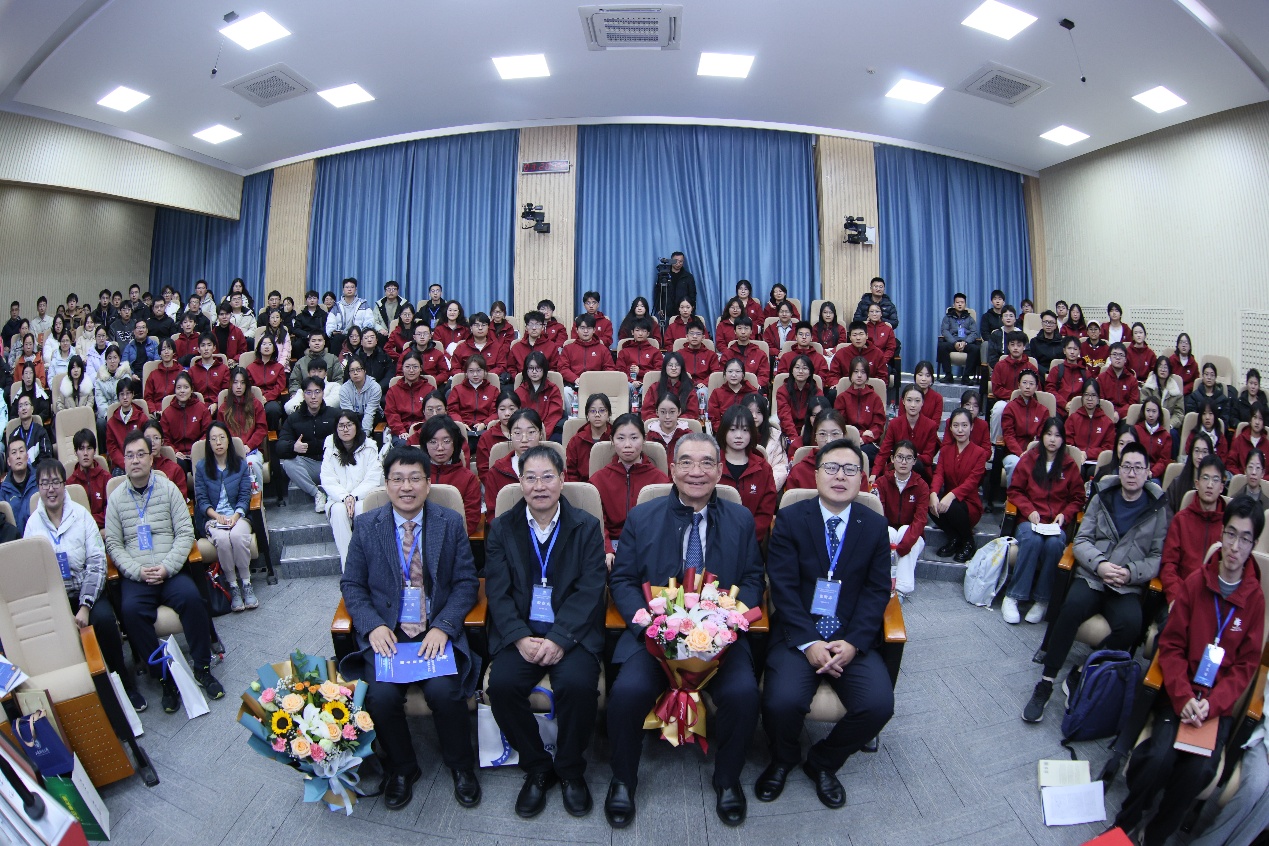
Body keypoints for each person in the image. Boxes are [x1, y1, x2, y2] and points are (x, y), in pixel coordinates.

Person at [606, 433, 765, 828]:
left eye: (707, 463)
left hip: (719, 642)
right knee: (626, 692)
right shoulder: (642, 517)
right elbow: (622, 579)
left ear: (720, 471)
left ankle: (727, 780)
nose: (697, 471)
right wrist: (647, 624)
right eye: (688, 462)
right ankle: (622, 780)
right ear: (673, 469)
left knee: (743, 695)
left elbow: (752, 578)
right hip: (655, 639)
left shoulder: (740, 519)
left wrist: (727, 625)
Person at [1113, 496, 1265, 845]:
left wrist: (1211, 705)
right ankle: (1126, 823)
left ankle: (1155, 833)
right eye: (1230, 534)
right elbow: (1172, 645)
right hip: (1179, 693)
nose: (1235, 546)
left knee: (1199, 769)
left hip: (1214, 706)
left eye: (1245, 538)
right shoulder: (1197, 582)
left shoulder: (1255, 599)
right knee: (1158, 758)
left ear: (1253, 544)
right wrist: (1183, 697)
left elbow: (1245, 668)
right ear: (1222, 534)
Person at [340, 446, 481, 811]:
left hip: (434, 627)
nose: (406, 487)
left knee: (446, 692)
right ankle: (402, 768)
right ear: (386, 484)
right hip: (388, 631)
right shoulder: (367, 526)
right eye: (398, 479)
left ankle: (461, 766)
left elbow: (467, 582)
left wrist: (444, 627)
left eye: (415, 478)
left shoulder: (449, 522)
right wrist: (372, 626)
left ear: (428, 483)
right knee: (380, 698)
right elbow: (352, 585)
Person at [757, 438, 894, 809]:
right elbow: (782, 587)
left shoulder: (874, 525)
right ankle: (783, 758)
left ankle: (823, 762)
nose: (840, 476)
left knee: (878, 706)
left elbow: (877, 591)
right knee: (781, 701)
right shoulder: (790, 519)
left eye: (850, 470)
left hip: (850, 636)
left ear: (862, 479)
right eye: (831, 468)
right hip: (798, 633)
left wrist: (853, 642)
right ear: (815, 474)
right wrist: (809, 642)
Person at [484, 445, 606, 818]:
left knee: (579, 686)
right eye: (531, 478)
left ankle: (569, 769)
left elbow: (590, 589)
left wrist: (559, 638)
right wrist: (519, 637)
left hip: (572, 634)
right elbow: (497, 591)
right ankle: (537, 766)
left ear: (562, 480)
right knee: (501, 686)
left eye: (547, 477)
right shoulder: (502, 528)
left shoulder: (586, 526)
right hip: (521, 632)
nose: (540, 486)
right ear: (520, 482)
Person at [1021, 442, 1169, 722]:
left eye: (1138, 468)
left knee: (1132, 625)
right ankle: (1046, 681)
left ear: (1148, 472)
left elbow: (1157, 556)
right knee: (1070, 608)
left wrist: (1130, 573)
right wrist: (1100, 565)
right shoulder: (1103, 496)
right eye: (1127, 467)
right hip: (1093, 577)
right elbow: (1082, 541)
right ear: (1119, 469)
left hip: (1125, 584)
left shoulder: (1157, 508)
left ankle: (1081, 671)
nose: (1132, 473)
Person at [106, 429, 223, 713]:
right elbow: (114, 544)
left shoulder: (168, 488)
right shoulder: (116, 499)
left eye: (141, 454)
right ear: (124, 461)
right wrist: (137, 571)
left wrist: (167, 566)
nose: (135, 460)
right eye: (130, 456)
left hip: (169, 570)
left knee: (193, 599)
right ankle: (165, 679)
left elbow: (185, 532)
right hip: (138, 576)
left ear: (151, 458)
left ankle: (202, 668)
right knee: (131, 612)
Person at [25, 457, 146, 708]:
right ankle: (80, 698)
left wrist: (84, 606)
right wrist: (59, 611)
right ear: (38, 488)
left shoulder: (81, 515)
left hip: (86, 593)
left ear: (64, 485)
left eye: (56, 482)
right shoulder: (32, 526)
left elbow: (97, 563)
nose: (50, 489)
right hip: (54, 601)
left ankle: (124, 683)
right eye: (45, 483)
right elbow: (34, 576)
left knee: (104, 620)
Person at [1001, 419, 1086, 624]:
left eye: (1057, 435)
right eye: (1049, 434)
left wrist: (1065, 514)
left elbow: (1078, 498)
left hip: (1055, 525)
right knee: (1033, 540)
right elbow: (1015, 490)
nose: (1052, 440)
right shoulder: (1029, 459)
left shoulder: (1069, 465)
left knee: (1055, 544)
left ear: (1063, 439)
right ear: (1042, 436)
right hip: (1029, 521)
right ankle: (1013, 596)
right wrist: (1029, 510)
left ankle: (1042, 600)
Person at [193, 422, 256, 612]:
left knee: (236, 536)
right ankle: (233, 585)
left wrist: (236, 516)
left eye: (222, 437)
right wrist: (216, 516)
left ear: (229, 440)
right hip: (213, 519)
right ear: (208, 443)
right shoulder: (202, 467)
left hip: (238, 515)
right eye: (213, 439)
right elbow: (202, 500)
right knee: (222, 539)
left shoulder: (240, 464)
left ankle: (246, 582)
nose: (218, 442)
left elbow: (245, 496)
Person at [320, 411, 384, 568]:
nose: (345, 429)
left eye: (349, 425)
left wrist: (353, 496)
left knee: (362, 508)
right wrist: (345, 497)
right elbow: (327, 479)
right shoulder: (330, 447)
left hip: (363, 497)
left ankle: (369, 565)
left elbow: (373, 478)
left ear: (356, 426)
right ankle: (349, 568)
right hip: (339, 499)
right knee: (338, 511)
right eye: (341, 426)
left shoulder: (369, 446)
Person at [929, 408, 989, 563]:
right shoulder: (945, 450)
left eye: (964, 425)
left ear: (971, 427)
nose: (960, 430)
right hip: (949, 503)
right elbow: (939, 474)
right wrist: (933, 493)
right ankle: (954, 538)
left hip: (969, 505)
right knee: (930, 504)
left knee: (952, 506)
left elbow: (972, 482)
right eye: (956, 425)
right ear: (950, 428)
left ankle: (968, 541)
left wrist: (951, 495)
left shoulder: (980, 453)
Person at [277, 377, 341, 512]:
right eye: (309, 392)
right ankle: (317, 493)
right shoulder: (294, 418)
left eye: (317, 392)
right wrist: (293, 447)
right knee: (288, 463)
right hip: (309, 465)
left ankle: (337, 493)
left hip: (332, 463)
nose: (313, 397)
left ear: (323, 393)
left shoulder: (335, 414)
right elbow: (280, 446)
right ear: (303, 395)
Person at [875, 440, 929, 597]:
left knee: (906, 531)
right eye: (899, 457)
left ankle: (901, 589)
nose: (903, 462)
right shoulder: (881, 483)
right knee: (890, 532)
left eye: (908, 458)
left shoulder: (922, 486)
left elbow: (920, 520)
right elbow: (879, 514)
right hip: (888, 532)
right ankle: (883, 583)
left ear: (914, 461)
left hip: (912, 535)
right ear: (892, 459)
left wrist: (902, 547)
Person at [716, 405, 777, 544]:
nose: (739, 435)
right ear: (724, 431)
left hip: (750, 542)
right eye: (733, 429)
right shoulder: (711, 464)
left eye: (745, 430)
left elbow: (765, 512)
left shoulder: (763, 468)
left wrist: (746, 537)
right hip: (713, 541)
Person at [485, 409, 544, 516]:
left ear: (540, 434)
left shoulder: (554, 467)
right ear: (510, 435)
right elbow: (492, 514)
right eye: (517, 433)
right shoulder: (496, 472)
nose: (524, 439)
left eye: (531, 432)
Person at [875, 384, 938, 483]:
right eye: (909, 400)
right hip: (897, 467)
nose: (913, 405)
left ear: (923, 402)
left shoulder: (931, 426)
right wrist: (874, 474)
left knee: (916, 465)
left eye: (917, 401)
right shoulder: (894, 424)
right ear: (903, 402)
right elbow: (884, 452)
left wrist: (909, 457)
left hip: (920, 470)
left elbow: (928, 458)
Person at [1000, 369, 1046, 487]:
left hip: (1035, 453)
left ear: (1036, 387)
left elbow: (1042, 437)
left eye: (1031, 384)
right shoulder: (1010, 408)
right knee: (1015, 464)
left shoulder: (1043, 410)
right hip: (1013, 453)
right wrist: (1020, 454)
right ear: (1019, 385)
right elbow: (1008, 435)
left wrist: (1031, 453)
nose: (1027, 386)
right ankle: (1012, 497)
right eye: (1024, 383)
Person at [833, 356, 885, 461]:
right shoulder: (842, 398)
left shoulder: (875, 398)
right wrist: (859, 435)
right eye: (856, 371)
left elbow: (878, 425)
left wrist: (864, 439)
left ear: (867, 375)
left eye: (863, 372)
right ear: (850, 375)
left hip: (869, 442)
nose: (859, 375)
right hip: (847, 440)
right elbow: (839, 424)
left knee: (867, 453)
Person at [160, 373, 211, 473]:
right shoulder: (167, 413)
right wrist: (174, 451)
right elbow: (164, 438)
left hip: (198, 452)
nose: (182, 391)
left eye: (186, 387)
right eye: (179, 388)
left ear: (191, 389)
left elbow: (208, 432)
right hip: (177, 455)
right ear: (175, 390)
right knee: (178, 465)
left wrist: (196, 449)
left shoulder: (201, 408)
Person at [515, 351, 564, 440]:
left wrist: (542, 435)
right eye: (531, 368)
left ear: (544, 369)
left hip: (547, 433)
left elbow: (553, 416)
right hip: (524, 434)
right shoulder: (520, 391)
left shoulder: (553, 389)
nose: (534, 372)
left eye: (538, 368)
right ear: (526, 370)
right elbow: (517, 417)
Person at [67, 428, 110, 528]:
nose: (85, 453)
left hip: (105, 529)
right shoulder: (70, 484)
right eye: (81, 449)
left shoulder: (106, 478)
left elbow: (111, 511)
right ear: (75, 452)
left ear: (95, 451)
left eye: (89, 448)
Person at [641, 351, 700, 421]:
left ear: (682, 368)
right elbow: (647, 412)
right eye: (670, 365)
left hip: (681, 425)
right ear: (665, 367)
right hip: (658, 424)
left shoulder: (689, 389)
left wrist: (674, 422)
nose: (674, 368)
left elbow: (692, 414)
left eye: (677, 365)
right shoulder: (654, 388)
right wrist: (663, 421)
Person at [776, 355, 820, 450]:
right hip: (788, 431)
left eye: (805, 368)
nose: (800, 371)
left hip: (810, 431)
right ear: (791, 371)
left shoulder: (816, 391)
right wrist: (794, 438)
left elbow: (818, 416)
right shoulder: (782, 391)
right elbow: (785, 416)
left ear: (810, 372)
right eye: (797, 367)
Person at [565, 394, 610, 483]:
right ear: (587, 415)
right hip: (582, 487)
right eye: (592, 411)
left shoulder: (616, 438)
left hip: (609, 486)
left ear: (609, 414)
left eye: (602, 410)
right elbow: (570, 472)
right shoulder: (576, 440)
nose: (597, 415)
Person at [937, 293, 981, 384]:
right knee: (942, 346)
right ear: (954, 304)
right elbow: (944, 331)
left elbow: (974, 333)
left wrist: (965, 342)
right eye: (957, 302)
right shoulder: (947, 317)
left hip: (966, 343)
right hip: (952, 342)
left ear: (965, 305)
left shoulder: (970, 319)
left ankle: (966, 377)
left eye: (962, 302)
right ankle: (948, 375)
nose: (960, 304)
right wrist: (954, 343)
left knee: (975, 349)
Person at [325, 278, 376, 353]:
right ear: (343, 289)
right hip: (343, 334)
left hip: (359, 334)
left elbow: (369, 320)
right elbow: (330, 322)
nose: (349, 289)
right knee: (336, 339)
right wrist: (332, 331)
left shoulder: (363, 304)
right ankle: (335, 360)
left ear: (356, 289)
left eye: (352, 287)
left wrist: (363, 331)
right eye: (347, 287)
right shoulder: (337, 306)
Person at [475, 390, 519, 478]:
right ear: (497, 411)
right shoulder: (486, 437)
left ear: (519, 409)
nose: (507, 413)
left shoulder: (527, 435)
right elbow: (483, 471)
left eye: (511, 409)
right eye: (502, 409)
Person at [706, 358, 755, 431]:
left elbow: (755, 417)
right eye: (730, 371)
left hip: (747, 431)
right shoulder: (717, 393)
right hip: (723, 432)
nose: (733, 375)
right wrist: (727, 431)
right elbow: (714, 419)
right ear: (725, 374)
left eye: (737, 371)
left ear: (743, 374)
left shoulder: (752, 393)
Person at [1, 435, 37, 532]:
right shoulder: (3, 492)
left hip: (39, 536)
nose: (18, 456)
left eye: (21, 451)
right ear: (8, 461)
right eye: (14, 452)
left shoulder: (40, 481)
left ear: (27, 457)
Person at [1133, 397, 1173, 482]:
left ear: (1159, 413)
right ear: (1144, 411)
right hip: (1135, 470)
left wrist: (1152, 473)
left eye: (1154, 411)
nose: (1150, 414)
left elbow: (1164, 460)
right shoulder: (1136, 430)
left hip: (1153, 475)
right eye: (1148, 411)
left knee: (1155, 483)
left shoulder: (1165, 436)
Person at [1098, 343, 1140, 419]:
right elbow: (1101, 401)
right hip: (1105, 415)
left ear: (1125, 359)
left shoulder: (1132, 380)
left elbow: (1133, 403)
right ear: (1110, 357)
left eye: (1121, 355)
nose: (1117, 358)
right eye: (1114, 354)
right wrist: (1112, 413)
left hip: (1126, 416)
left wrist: (1119, 414)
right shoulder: (1101, 378)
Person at [1047, 336, 1091, 410]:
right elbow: (1050, 390)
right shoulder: (1056, 370)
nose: (1072, 352)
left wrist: (1077, 405)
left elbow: (1089, 393)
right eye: (1069, 348)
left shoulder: (1085, 373)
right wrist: (1064, 404)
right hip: (1059, 409)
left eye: (1075, 349)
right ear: (1064, 351)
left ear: (1079, 351)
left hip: (1080, 410)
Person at [10, 394, 51, 464]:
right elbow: (10, 460)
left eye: (26, 404)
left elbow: (46, 457)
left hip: (37, 469)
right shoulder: (14, 435)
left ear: (32, 409)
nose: (23, 408)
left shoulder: (41, 431)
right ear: (18, 412)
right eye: (20, 406)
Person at [1140, 356, 1183, 422]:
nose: (1163, 370)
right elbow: (1143, 408)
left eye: (1165, 367)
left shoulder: (1176, 392)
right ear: (1156, 368)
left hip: (1169, 423)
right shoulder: (1147, 388)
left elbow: (1179, 414)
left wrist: (1169, 424)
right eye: (1160, 366)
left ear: (1169, 370)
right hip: (1149, 421)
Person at [664, 251, 695, 318]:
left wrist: (691, 310)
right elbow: (658, 293)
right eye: (675, 261)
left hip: (684, 311)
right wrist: (660, 309)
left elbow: (692, 294)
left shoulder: (688, 277)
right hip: (666, 312)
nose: (678, 263)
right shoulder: (664, 275)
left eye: (681, 261)